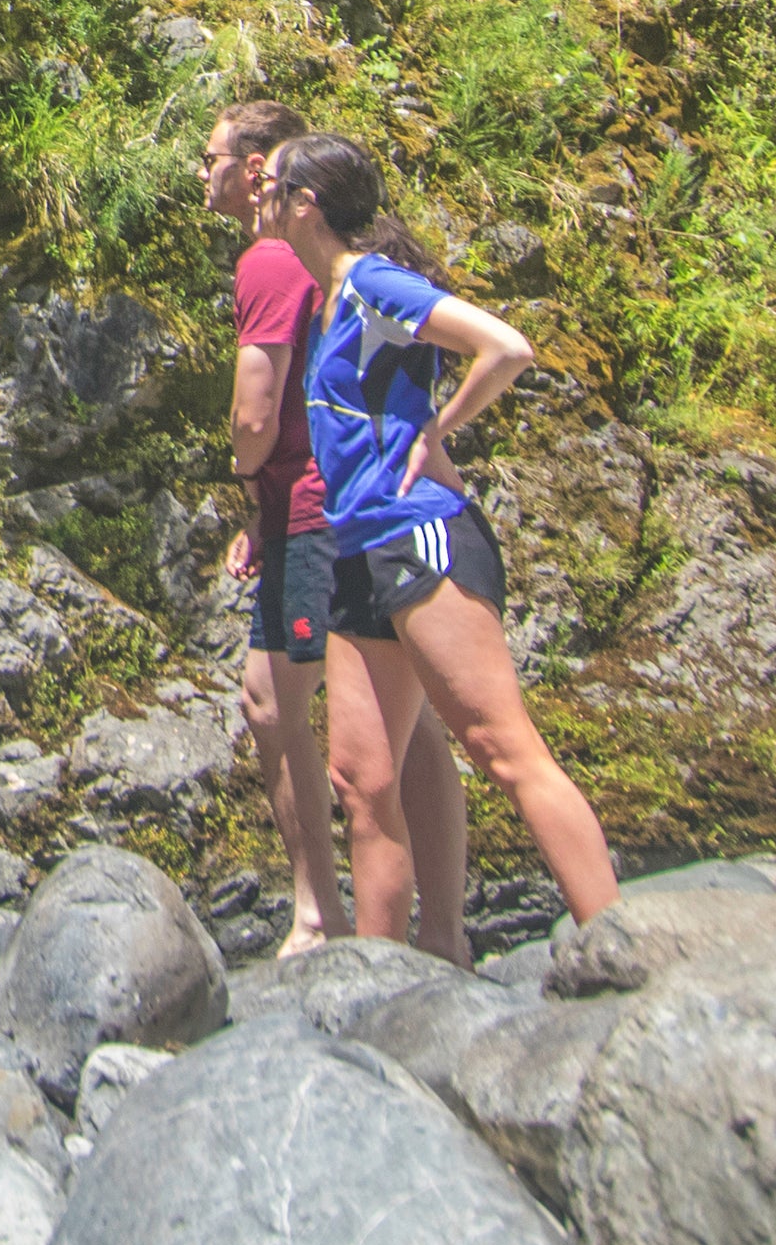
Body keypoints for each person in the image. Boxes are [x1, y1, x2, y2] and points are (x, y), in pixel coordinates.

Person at [261, 130, 620, 936]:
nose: (262, 197)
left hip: (418, 538)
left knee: (502, 747)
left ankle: (619, 942)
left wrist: (437, 431)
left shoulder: (376, 284)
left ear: (305, 204)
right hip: (357, 550)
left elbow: (505, 347)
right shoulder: (327, 303)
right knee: (360, 778)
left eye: (274, 185)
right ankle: (393, 984)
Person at [200, 101, 469, 960]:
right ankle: (442, 935)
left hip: (321, 512)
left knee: (273, 701)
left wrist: (253, 486)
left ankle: (324, 916)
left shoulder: (269, 258)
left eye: (208, 157)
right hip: (350, 503)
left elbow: (257, 406)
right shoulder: (322, 258)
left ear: (253, 171)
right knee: (415, 718)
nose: (198, 174)